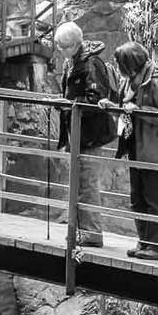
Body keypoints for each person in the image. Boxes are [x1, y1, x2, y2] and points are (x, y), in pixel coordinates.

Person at [102, 41, 158, 260]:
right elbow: (126, 105)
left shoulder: (155, 80)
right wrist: (111, 105)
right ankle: (143, 242)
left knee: (154, 198)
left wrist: (140, 110)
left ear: (130, 64)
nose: (118, 68)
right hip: (135, 144)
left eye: (120, 64)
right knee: (137, 198)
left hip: (153, 148)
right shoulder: (131, 80)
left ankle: (157, 247)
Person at [51, 21, 114, 247]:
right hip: (77, 133)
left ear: (74, 44)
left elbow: (96, 98)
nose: (60, 50)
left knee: (87, 185)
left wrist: (69, 104)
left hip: (90, 134)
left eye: (62, 46)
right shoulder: (73, 61)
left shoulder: (91, 63)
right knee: (78, 184)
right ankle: (79, 229)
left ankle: (92, 233)